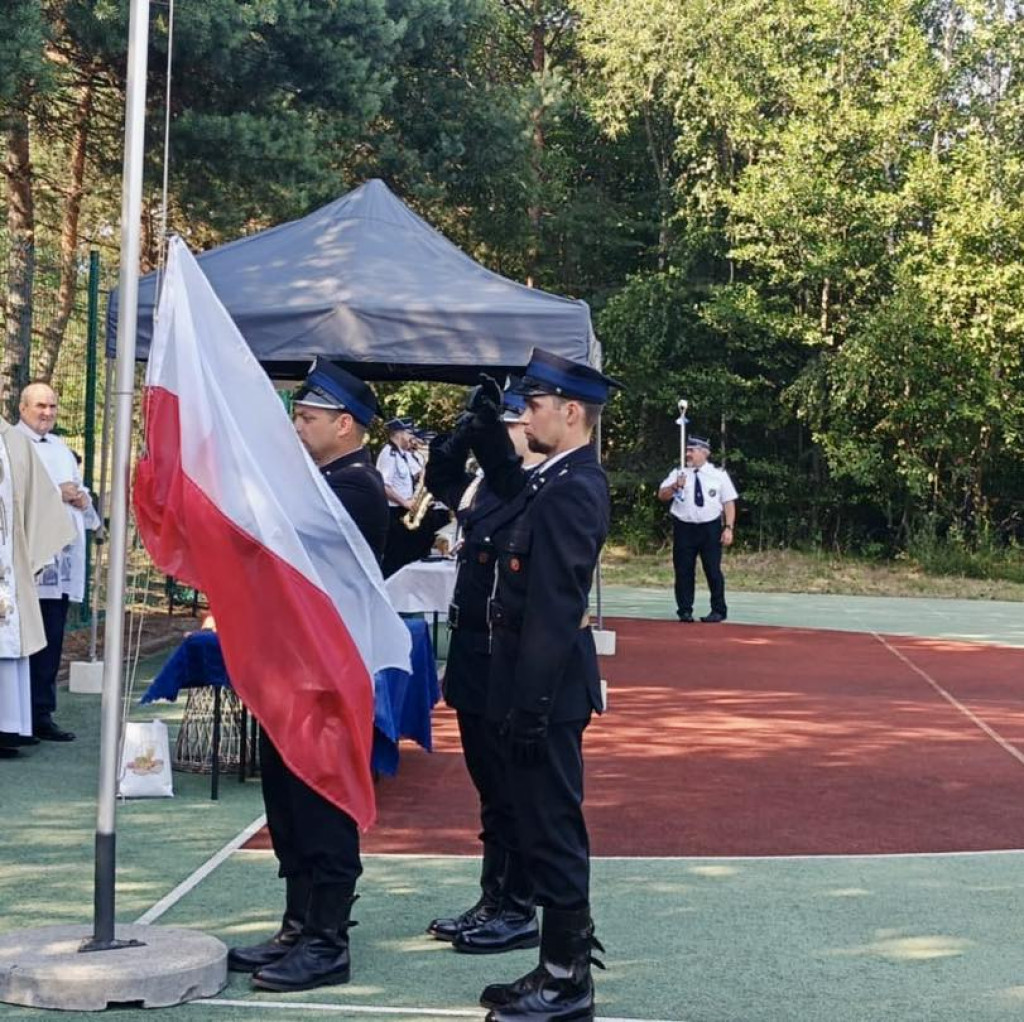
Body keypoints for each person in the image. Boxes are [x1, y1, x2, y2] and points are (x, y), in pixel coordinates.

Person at [462, 348, 620, 1022]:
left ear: (571, 411)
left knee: (553, 829)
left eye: (533, 406)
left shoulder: (576, 487)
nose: (524, 418)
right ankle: (553, 968)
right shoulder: (551, 478)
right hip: (526, 684)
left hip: (546, 692)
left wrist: (529, 708)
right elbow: (505, 489)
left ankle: (567, 980)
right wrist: (482, 437)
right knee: (533, 823)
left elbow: (555, 609)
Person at [227, 359, 389, 992]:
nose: (296, 427)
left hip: (326, 672)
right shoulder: (323, 481)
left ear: (345, 424)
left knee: (322, 801)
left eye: (307, 418)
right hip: (294, 666)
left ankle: (327, 941)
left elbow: (282, 540)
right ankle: (298, 925)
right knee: (288, 801)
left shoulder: (356, 486)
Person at [423, 385, 545, 956]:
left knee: (511, 789)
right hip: (472, 653)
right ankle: (492, 898)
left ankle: (518, 907)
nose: (513, 433)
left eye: (511, 424)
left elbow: (506, 477)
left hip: (504, 658)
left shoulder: (531, 487)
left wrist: (488, 439)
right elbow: (439, 477)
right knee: (490, 790)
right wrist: (462, 430)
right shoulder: (484, 486)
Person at [16, 382, 100, 742]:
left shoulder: (62, 448)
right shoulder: (10, 445)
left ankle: (41, 713)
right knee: (21, 640)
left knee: (51, 637)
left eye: (52, 406)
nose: (47, 413)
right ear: (22, 408)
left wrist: (82, 498)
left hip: (60, 564)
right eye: (40, 406)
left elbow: (75, 489)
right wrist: (57, 493)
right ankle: (15, 717)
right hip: (25, 560)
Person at [0, 415, 76, 758]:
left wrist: (31, 554)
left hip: (7, 561)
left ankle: (8, 728)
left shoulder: (12, 441)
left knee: (9, 641)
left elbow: (41, 499)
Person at [657, 433, 738, 623]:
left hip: (710, 528)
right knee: (683, 570)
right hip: (684, 527)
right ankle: (684, 610)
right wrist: (675, 486)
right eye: (687, 450)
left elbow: (728, 502)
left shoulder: (718, 475)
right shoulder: (679, 473)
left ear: (704, 453)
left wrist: (728, 527)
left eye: (691, 451)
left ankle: (718, 610)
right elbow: (662, 495)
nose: (688, 454)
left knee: (713, 570)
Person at [376, 416, 421, 577]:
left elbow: (416, 474)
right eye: (409, 434)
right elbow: (384, 485)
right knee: (394, 558)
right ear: (400, 433)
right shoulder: (389, 454)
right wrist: (405, 503)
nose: (411, 438)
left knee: (405, 555)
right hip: (394, 512)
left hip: (404, 511)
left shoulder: (402, 455)